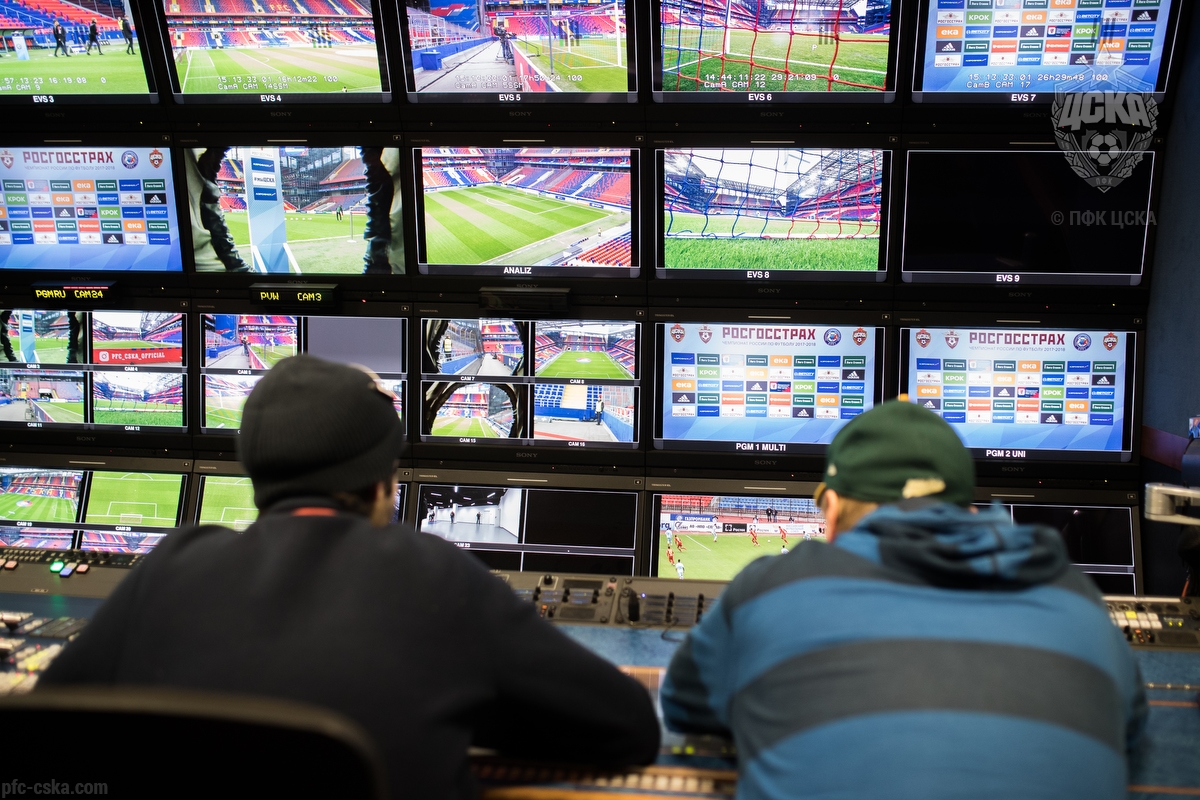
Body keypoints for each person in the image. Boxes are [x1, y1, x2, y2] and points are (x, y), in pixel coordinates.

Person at [41, 356, 660, 798]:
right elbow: (626, 728)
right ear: (382, 482)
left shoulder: (173, 565)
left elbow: (51, 720)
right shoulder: (435, 572)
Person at [660, 400, 1145, 800]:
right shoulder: (1081, 602)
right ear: (968, 509)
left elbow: (683, 707)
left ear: (833, 508)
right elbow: (1131, 732)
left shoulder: (771, 587)